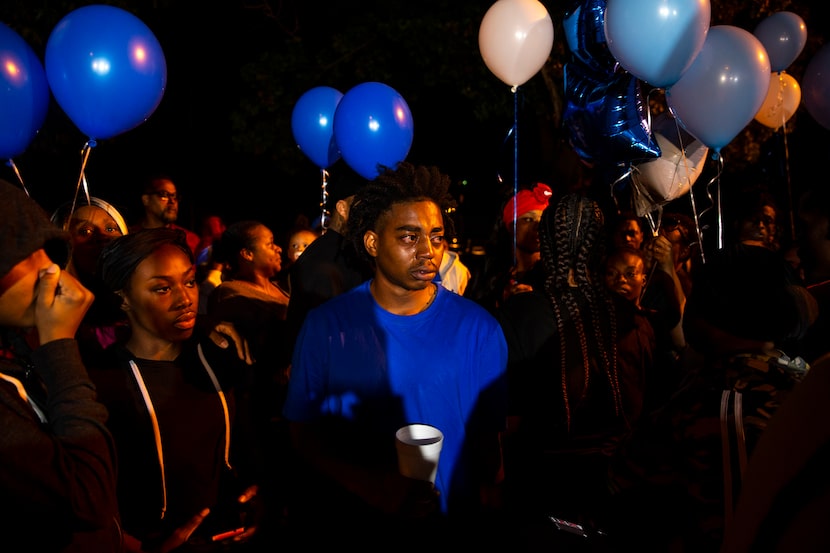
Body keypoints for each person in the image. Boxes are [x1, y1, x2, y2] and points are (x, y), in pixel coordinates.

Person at [281, 162, 508, 547]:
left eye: (436, 237)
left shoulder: (479, 328)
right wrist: (374, 487)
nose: (427, 252)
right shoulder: (325, 326)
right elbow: (302, 433)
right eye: (409, 237)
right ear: (372, 243)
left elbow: (490, 440)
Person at [89, 228, 262, 553]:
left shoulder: (216, 354)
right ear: (123, 297)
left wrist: (256, 493)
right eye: (162, 288)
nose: (185, 299)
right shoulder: (103, 382)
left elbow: (244, 445)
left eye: (190, 281)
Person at [497, 194, 653, 537]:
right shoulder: (632, 319)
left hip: (542, 497)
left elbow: (506, 419)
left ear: (548, 243)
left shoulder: (519, 316)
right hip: (615, 494)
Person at [0, 179, 121, 551]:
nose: (50, 270)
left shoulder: (16, 353)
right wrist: (59, 346)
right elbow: (86, 498)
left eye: (47, 252)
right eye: (25, 255)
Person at [207, 219, 295, 531]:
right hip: (258, 410)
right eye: (269, 242)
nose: (278, 248)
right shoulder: (231, 296)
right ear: (246, 254)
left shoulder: (281, 287)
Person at [284, 170, 373, 345]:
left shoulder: (354, 252)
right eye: (364, 206)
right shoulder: (322, 259)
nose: (371, 214)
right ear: (342, 208)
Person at [50, 196, 131, 365]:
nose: (103, 237)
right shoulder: (52, 310)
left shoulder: (142, 297)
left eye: (110, 229)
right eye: (85, 231)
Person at [467, 182, 553, 313]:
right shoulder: (488, 274)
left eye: (542, 220)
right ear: (510, 226)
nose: (538, 227)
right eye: (528, 219)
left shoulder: (554, 275)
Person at [129, 174, 200, 256]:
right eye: (164, 195)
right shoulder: (130, 238)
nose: (172, 201)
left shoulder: (190, 240)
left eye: (174, 196)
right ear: (146, 200)